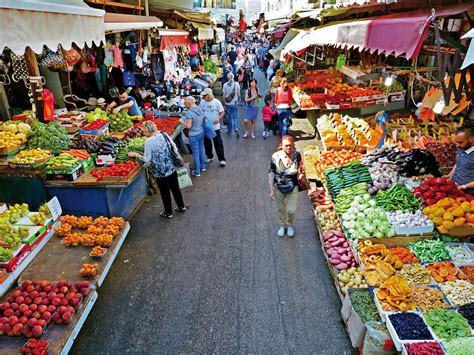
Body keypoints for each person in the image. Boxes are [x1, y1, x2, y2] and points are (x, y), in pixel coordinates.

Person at [128, 121, 186, 219]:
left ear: (147, 131)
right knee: (175, 188)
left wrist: (135, 155)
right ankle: (181, 206)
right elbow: (174, 147)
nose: (143, 133)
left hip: (160, 172)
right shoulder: (164, 134)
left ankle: (168, 213)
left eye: (144, 131)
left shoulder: (149, 141)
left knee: (165, 192)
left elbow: (146, 161)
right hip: (171, 167)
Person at [268, 136, 303, 238]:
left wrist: (301, 174)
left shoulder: (297, 154)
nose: (288, 148)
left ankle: (290, 225)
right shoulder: (275, 156)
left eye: (290, 145)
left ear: (293, 145)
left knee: (291, 210)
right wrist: (270, 190)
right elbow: (271, 172)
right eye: (286, 146)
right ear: (281, 146)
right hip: (278, 187)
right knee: (281, 209)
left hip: (293, 186)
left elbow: (300, 166)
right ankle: (282, 226)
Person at [199, 88, 226, 166]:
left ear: (209, 95)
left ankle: (221, 159)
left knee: (218, 143)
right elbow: (200, 112)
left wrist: (218, 119)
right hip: (205, 126)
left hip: (215, 127)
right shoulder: (202, 102)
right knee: (207, 142)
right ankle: (209, 156)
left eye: (204, 95)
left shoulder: (216, 102)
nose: (203, 97)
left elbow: (222, 112)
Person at [181, 96, 206, 177]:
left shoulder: (189, 113)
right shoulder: (199, 109)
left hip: (193, 135)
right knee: (201, 150)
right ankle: (203, 167)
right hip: (201, 132)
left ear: (189, 103)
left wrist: (182, 122)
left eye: (185, 103)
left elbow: (188, 126)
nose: (184, 104)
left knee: (195, 153)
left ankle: (197, 172)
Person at [446, 126, 474, 194]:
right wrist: (449, 175)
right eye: (456, 142)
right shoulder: (461, 148)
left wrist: (464, 186)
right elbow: (458, 163)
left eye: (460, 142)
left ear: (471, 139)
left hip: (469, 194)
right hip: (456, 189)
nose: (457, 145)